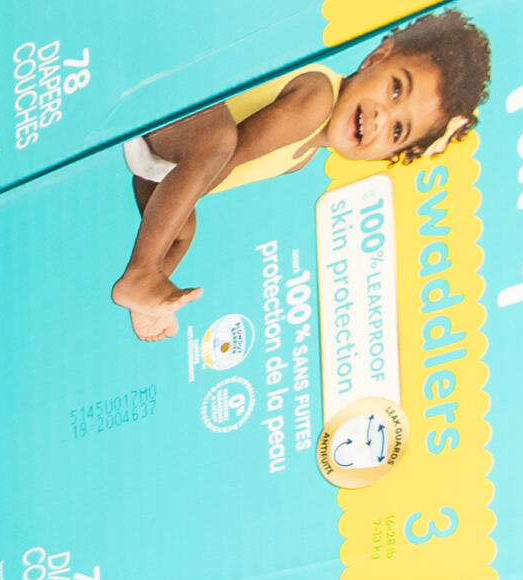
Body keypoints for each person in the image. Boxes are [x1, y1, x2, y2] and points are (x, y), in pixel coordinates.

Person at [112, 11, 493, 340]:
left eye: (398, 131)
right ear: (377, 57)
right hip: (170, 108)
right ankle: (141, 272)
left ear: (387, 156)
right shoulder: (317, 96)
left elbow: (201, 178)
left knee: (182, 231)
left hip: (163, 164)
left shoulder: (303, 157)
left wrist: (172, 202)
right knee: (216, 143)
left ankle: (146, 296)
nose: (381, 119)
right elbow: (223, 157)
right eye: (396, 90)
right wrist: (178, 195)